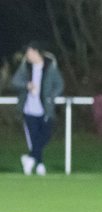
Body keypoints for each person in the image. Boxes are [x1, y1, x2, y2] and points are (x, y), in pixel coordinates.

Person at [10, 42, 65, 176]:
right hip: (29, 109)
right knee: (34, 139)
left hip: (46, 109)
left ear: (36, 52)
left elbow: (60, 84)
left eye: (29, 53)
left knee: (45, 136)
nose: (27, 56)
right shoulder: (25, 67)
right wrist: (26, 85)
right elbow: (14, 82)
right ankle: (39, 165)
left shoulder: (50, 67)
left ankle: (29, 159)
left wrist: (51, 97)